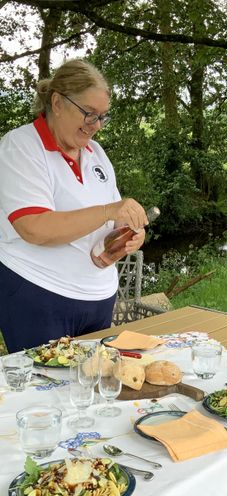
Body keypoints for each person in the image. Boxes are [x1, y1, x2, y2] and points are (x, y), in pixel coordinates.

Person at [0, 59, 149, 353]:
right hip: (39, 296)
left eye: (103, 117)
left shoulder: (96, 154)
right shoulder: (21, 147)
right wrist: (109, 211)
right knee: (45, 391)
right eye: (88, 114)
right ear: (57, 102)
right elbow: (34, 227)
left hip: (99, 297)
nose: (96, 126)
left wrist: (130, 231)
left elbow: (113, 219)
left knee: (95, 387)